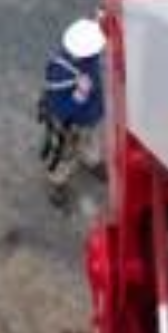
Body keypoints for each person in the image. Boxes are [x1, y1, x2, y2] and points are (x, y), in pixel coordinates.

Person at [37, 15, 107, 207]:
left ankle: (91, 160)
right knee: (64, 155)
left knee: (92, 142)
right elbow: (59, 110)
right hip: (71, 124)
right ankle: (57, 182)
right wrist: (79, 96)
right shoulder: (60, 73)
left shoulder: (87, 55)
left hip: (91, 117)